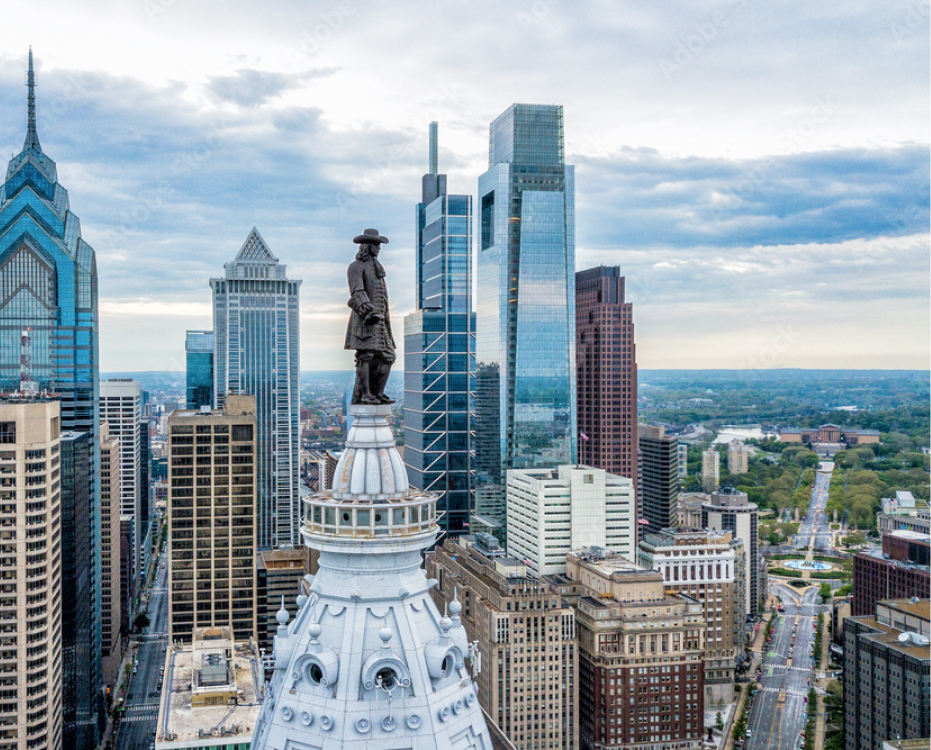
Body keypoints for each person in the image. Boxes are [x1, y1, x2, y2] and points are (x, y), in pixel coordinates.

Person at [344, 228, 395, 404]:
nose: (379, 247)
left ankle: (378, 393)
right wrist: (368, 311)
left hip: (381, 323)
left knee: (388, 356)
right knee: (365, 356)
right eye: (376, 244)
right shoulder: (355, 267)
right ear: (368, 246)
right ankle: (366, 395)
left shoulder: (377, 269)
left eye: (379, 244)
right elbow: (357, 291)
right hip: (365, 320)